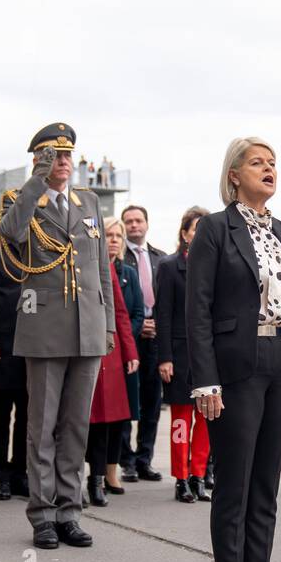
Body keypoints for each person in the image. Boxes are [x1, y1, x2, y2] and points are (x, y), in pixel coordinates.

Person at [186, 136, 281, 562]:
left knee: (267, 483)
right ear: (234, 175)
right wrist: (205, 380)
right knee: (235, 484)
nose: (270, 169)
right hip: (236, 365)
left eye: (274, 163)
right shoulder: (216, 230)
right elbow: (198, 309)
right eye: (258, 163)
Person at [0, 124, 115, 549]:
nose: (63, 162)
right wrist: (36, 180)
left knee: (75, 427)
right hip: (45, 327)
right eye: (53, 155)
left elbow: (101, 267)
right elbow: (10, 234)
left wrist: (109, 325)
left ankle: (70, 510)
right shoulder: (22, 198)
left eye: (67, 155)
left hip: (87, 327)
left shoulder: (88, 201)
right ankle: (42, 515)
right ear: (38, 159)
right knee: (42, 427)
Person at [157, 207, 212, 503]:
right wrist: (164, 357)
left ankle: (198, 474)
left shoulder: (216, 265)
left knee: (206, 418)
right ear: (184, 234)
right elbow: (162, 315)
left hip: (208, 356)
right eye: (195, 229)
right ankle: (181, 478)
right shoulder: (169, 267)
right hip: (179, 355)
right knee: (181, 421)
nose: (200, 234)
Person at [85, 217, 141, 506]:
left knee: (108, 420)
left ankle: (99, 479)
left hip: (111, 351)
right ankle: (81, 479)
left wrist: (130, 352)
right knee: (85, 421)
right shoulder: (81, 262)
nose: (114, 240)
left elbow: (121, 313)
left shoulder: (110, 268)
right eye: (108, 235)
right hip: (82, 348)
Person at [0, 192, 31, 501]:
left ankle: (20, 473)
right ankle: (1, 476)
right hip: (1, 346)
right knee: (0, 416)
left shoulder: (35, 248)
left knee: (28, 417)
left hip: (32, 347)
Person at [120, 205, 168, 483]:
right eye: (129, 221)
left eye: (138, 220)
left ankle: (144, 459)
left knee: (153, 401)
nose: (134, 225)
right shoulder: (119, 258)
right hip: (130, 336)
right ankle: (126, 460)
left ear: (147, 224)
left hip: (157, 337)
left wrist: (158, 324)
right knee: (128, 400)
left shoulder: (161, 259)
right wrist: (139, 325)